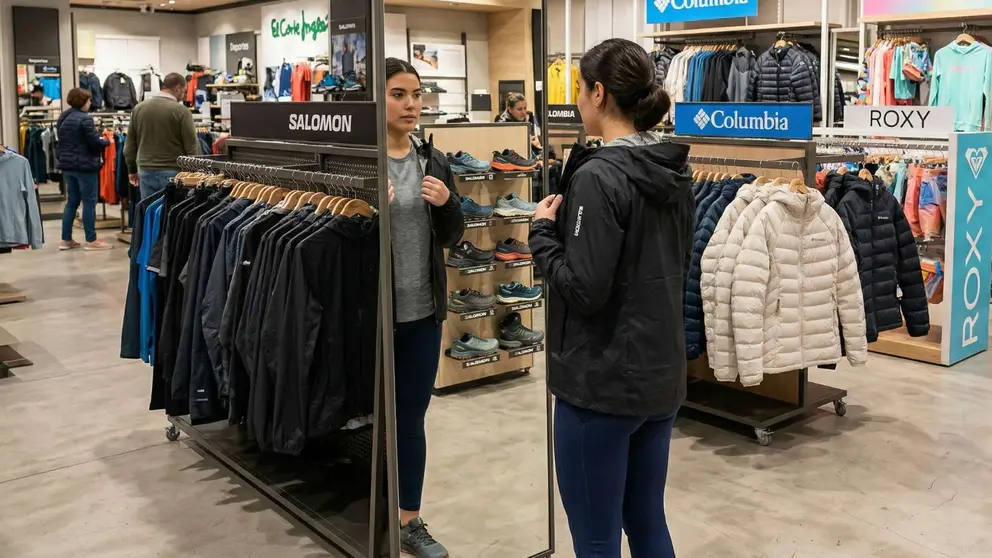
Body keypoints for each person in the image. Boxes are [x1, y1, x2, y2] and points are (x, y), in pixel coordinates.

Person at [529, 38, 694, 558]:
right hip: (658, 376)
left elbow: (584, 288)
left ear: (598, 93)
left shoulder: (600, 176)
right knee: (646, 522)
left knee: (596, 537)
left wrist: (542, 234)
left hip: (599, 386)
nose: (578, 99)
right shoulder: (673, 168)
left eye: (580, 88)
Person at [384, 56, 464, 558]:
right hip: (372, 315)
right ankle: (365, 509)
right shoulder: (362, 162)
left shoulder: (432, 160)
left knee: (411, 418)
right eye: (398, 94)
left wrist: (447, 202)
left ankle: (409, 520)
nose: (411, 104)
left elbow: (453, 235)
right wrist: (370, 209)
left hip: (422, 313)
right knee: (365, 415)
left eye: (416, 94)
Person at [123, 72, 198, 201]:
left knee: (150, 210)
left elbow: (129, 146)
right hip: (173, 171)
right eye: (184, 91)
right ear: (178, 88)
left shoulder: (139, 109)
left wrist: (132, 170)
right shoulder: (181, 111)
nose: (184, 95)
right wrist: (193, 174)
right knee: (172, 211)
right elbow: (191, 146)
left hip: (146, 170)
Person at [54, 87, 113, 251]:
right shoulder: (85, 119)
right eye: (88, 100)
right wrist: (107, 141)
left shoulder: (64, 117)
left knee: (72, 202)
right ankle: (91, 240)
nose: (90, 103)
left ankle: (66, 239)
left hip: (68, 165)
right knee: (89, 202)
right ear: (82, 102)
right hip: (85, 166)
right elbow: (94, 141)